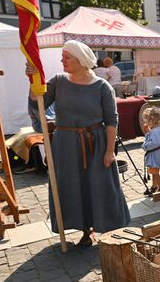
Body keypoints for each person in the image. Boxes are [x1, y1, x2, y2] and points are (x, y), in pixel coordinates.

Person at [25, 40, 130, 246]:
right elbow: (38, 105)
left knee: (99, 185)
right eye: (62, 57)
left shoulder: (102, 87)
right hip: (65, 145)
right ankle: (84, 230)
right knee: (73, 186)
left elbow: (111, 121)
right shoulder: (58, 82)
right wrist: (33, 81)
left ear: (81, 60)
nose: (62, 60)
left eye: (67, 57)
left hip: (95, 143)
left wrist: (110, 151)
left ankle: (109, 227)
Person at [141, 107, 160, 195]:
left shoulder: (157, 131)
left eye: (147, 121)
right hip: (154, 154)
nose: (146, 123)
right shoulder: (156, 130)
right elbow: (152, 136)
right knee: (153, 172)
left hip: (155, 154)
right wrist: (148, 131)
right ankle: (154, 186)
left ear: (153, 121)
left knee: (155, 173)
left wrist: (145, 146)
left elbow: (155, 142)